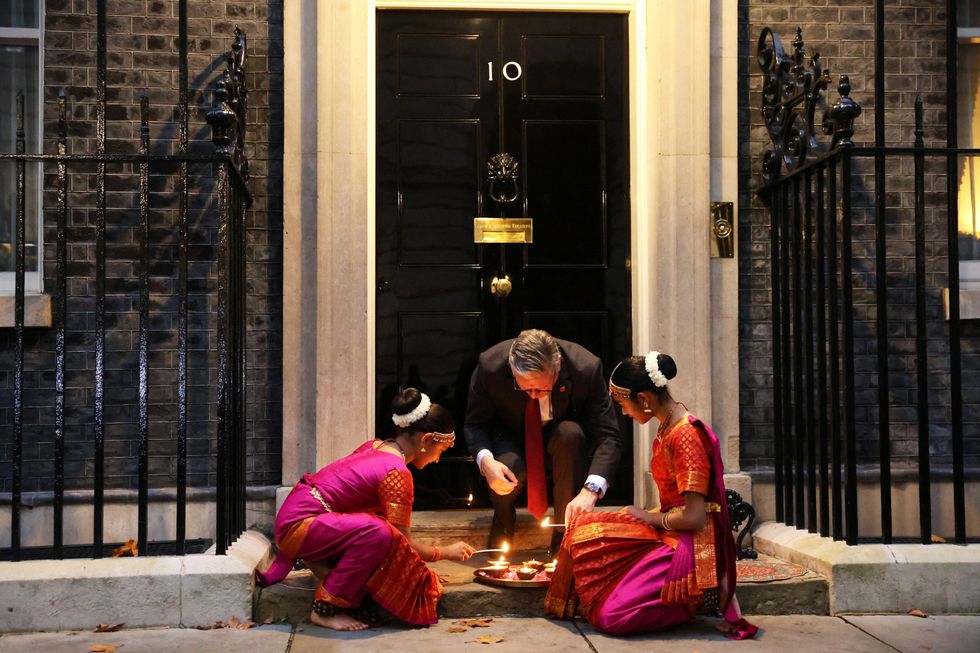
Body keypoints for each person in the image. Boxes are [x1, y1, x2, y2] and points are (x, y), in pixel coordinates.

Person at [544, 352, 757, 639]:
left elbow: (694, 517)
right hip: (669, 528)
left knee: (611, 617)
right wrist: (642, 517)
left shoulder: (686, 438)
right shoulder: (667, 426)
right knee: (582, 527)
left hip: (688, 544)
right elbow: (674, 500)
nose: (624, 413)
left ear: (643, 399)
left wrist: (647, 517)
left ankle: (686, 600)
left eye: (624, 404)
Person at [256, 388, 475, 631]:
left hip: (296, 515)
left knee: (378, 528)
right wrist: (444, 552)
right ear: (426, 441)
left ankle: (322, 562)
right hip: (301, 526)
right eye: (441, 451)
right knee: (380, 532)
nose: (437, 459)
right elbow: (403, 542)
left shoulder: (377, 446)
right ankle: (325, 609)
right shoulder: (397, 474)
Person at [464, 329, 622, 554]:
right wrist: (484, 460)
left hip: (561, 437)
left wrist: (591, 490)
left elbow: (609, 435)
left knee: (570, 435)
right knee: (508, 465)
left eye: (541, 388)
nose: (532, 394)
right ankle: (503, 521)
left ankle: (563, 534)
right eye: (524, 388)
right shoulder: (490, 365)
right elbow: (475, 423)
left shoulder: (586, 367)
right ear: (510, 368)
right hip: (509, 435)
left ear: (556, 365)